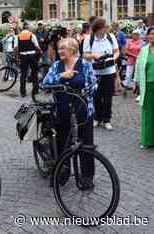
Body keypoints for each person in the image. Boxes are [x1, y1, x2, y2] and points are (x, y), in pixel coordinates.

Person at [43, 38, 97, 189]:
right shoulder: (56, 65)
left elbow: (94, 84)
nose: (60, 51)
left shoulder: (85, 64)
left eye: (63, 49)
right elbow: (45, 83)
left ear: (72, 50)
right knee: (62, 143)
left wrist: (85, 90)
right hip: (62, 109)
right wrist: (62, 76)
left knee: (86, 144)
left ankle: (87, 176)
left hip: (83, 109)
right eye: (59, 49)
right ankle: (62, 173)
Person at [83, 18, 120, 131]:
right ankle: (97, 118)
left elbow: (117, 51)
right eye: (105, 27)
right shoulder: (89, 39)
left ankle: (107, 120)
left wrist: (113, 59)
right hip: (95, 72)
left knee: (108, 97)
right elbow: (85, 55)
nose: (107, 29)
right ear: (99, 28)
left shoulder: (111, 37)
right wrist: (95, 56)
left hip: (109, 72)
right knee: (96, 96)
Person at [134, 26, 154, 149]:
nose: (153, 36)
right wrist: (136, 81)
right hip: (147, 85)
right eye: (151, 34)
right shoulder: (144, 50)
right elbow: (138, 65)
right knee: (147, 113)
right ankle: (147, 140)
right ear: (147, 36)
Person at [14, 22, 42, 97]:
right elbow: (37, 46)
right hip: (32, 56)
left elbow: (16, 48)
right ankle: (35, 90)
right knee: (34, 72)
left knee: (23, 74)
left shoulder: (18, 36)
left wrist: (16, 57)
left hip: (23, 56)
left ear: (22, 28)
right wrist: (40, 51)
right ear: (28, 28)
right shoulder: (31, 35)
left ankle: (23, 92)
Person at [111, 22, 127, 95]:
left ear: (117, 26)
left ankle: (117, 87)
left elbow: (124, 44)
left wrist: (123, 53)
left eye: (114, 26)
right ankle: (118, 86)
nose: (113, 27)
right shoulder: (111, 34)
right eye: (113, 26)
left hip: (118, 53)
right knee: (116, 71)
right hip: (112, 53)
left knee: (116, 70)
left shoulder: (121, 34)